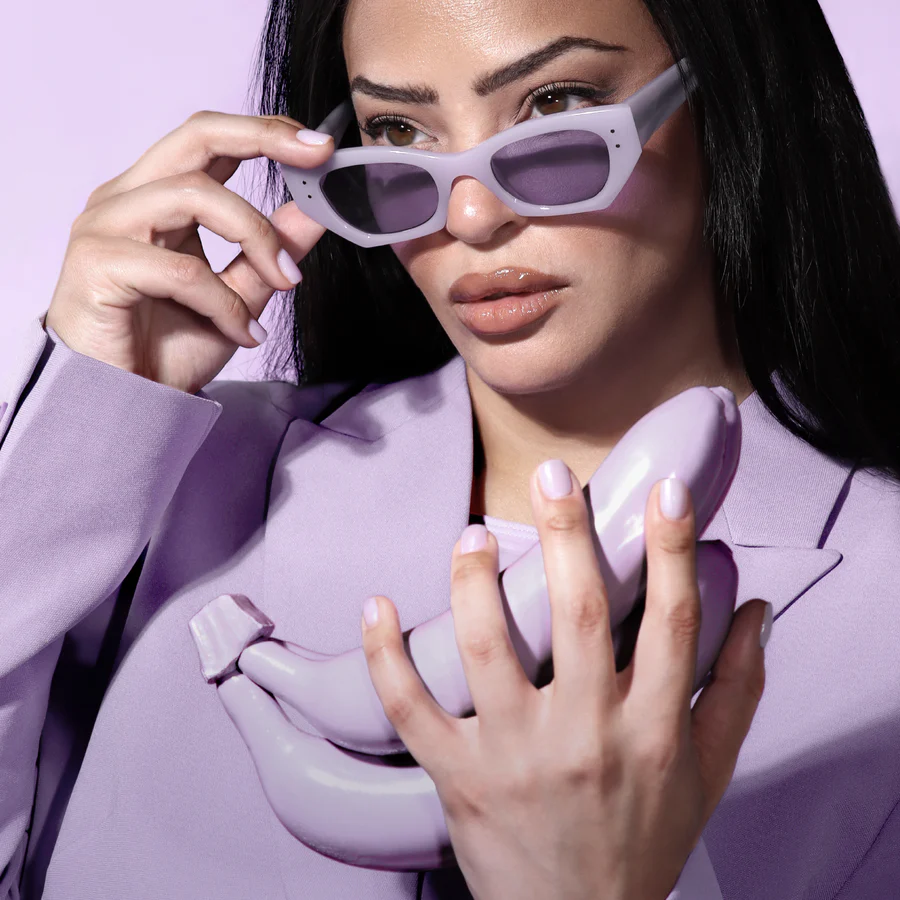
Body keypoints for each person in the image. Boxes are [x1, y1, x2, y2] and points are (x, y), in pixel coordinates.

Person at [1, 0, 898, 895]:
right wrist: (85, 424)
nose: (469, 216)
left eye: (555, 105)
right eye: (398, 130)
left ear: (732, 100)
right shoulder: (158, 484)